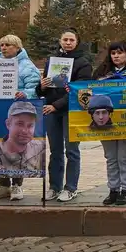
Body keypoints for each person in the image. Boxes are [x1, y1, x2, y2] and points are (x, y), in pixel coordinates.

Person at [36, 28, 92, 203]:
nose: (68, 43)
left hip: (71, 111)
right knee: (55, 151)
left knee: (72, 151)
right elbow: (41, 90)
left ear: (77, 42)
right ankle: (55, 187)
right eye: (65, 39)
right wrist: (42, 86)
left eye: (71, 40)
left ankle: (71, 188)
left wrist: (56, 105)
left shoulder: (83, 63)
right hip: (51, 111)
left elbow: (80, 91)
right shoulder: (52, 61)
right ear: (60, 41)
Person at [0, 34, 43, 201]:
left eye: (8, 45)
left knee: (17, 146)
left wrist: (25, 93)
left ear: (17, 47)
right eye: (2, 44)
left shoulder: (27, 66)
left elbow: (35, 88)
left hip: (18, 112)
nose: (4, 48)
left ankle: (17, 185)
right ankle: (3, 185)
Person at [93, 41, 126, 206]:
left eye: (119, 53)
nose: (116, 56)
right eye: (113, 53)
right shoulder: (102, 71)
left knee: (125, 157)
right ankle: (113, 190)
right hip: (106, 122)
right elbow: (90, 89)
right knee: (111, 157)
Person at [0, 101, 46, 178]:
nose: (25, 131)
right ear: (8, 124)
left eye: (30, 125)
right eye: (20, 124)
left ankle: (17, 185)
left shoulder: (41, 148)